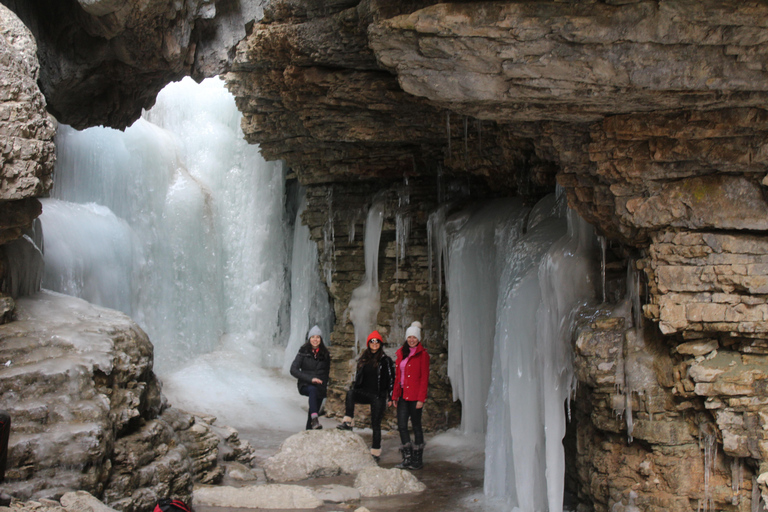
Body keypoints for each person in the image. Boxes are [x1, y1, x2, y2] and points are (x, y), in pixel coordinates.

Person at [337, 330, 395, 462]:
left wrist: (391, 397)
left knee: (376, 424)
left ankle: (375, 451)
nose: (374, 344)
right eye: (372, 341)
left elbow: (392, 379)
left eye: (377, 341)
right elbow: (359, 376)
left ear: (380, 343)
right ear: (368, 343)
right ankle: (348, 421)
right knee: (351, 393)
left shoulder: (385, 360)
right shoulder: (364, 357)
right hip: (365, 392)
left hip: (378, 395)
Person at [391, 321, 429, 470]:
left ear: (418, 338)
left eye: (414, 337)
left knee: (416, 426)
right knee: (401, 425)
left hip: (415, 397)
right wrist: (395, 396)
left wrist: (421, 398)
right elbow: (397, 377)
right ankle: (407, 458)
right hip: (402, 396)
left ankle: (417, 459)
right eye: (409, 337)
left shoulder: (423, 355)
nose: (412, 340)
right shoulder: (401, 353)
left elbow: (424, 378)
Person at [290, 325, 331, 430]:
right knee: (312, 390)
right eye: (313, 337)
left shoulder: (325, 354)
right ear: (309, 339)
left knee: (313, 411)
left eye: (318, 337)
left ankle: (310, 430)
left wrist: (323, 387)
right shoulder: (303, 352)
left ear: (321, 339)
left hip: (320, 387)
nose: (315, 340)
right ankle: (315, 420)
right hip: (305, 384)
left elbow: (326, 373)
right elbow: (293, 370)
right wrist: (310, 379)